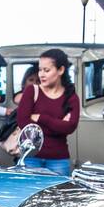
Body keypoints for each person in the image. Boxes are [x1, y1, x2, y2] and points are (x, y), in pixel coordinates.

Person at [15, 48, 80, 176]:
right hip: (31, 158)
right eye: (40, 70)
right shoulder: (31, 91)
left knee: (58, 196)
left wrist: (40, 118)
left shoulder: (71, 97)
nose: (41, 75)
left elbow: (70, 127)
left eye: (47, 70)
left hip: (59, 160)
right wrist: (58, 126)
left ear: (60, 70)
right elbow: (23, 123)